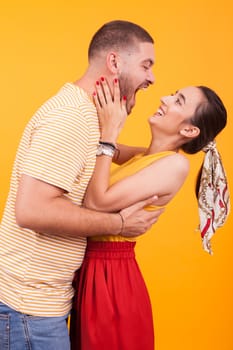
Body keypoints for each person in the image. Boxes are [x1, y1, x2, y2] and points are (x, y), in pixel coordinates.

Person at [0, 20, 163, 350]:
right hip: (29, 311)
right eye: (147, 65)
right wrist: (119, 223)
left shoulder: (88, 116)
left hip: (38, 309)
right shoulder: (72, 116)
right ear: (115, 62)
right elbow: (32, 209)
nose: (152, 78)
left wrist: (164, 150)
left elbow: (107, 154)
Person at [70, 79, 230, 350]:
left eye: (178, 101)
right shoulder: (146, 156)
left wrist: (109, 133)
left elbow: (96, 202)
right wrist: (114, 110)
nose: (164, 100)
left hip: (111, 280)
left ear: (190, 129)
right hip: (95, 272)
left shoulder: (175, 164)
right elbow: (101, 148)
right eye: (172, 94)